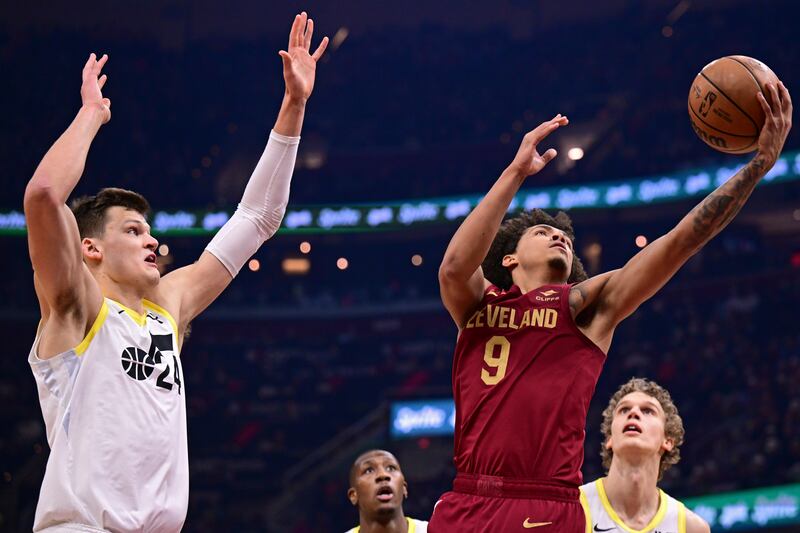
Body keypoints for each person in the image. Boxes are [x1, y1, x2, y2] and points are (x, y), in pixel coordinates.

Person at [429, 79, 792, 532]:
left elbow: (680, 242)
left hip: (545, 504)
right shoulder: (477, 303)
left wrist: (757, 167)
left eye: (564, 236)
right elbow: (452, 267)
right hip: (468, 497)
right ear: (509, 258)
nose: (559, 235)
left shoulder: (584, 311)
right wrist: (515, 174)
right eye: (542, 233)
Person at [23, 12, 328, 532]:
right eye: (134, 231)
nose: (153, 242)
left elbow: (259, 218)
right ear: (90, 248)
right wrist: (92, 116)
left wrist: (294, 106)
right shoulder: (77, 307)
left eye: (150, 232)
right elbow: (44, 195)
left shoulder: (167, 308)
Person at [580, 378, 709, 533]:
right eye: (624, 410)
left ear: (667, 440)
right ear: (610, 439)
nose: (634, 413)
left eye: (648, 410)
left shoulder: (691, 528)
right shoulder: (576, 506)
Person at [346, 450, 429, 533]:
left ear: (404, 488)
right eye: (369, 470)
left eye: (391, 468)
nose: (383, 475)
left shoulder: (432, 530)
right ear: (353, 495)